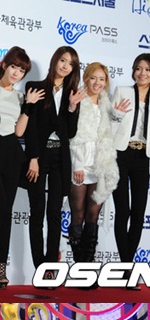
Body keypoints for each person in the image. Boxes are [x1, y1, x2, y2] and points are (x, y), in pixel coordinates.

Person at [0, 47, 44, 288]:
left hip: (12, 154)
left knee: (6, 211)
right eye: (14, 67)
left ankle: (0, 266)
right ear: (5, 65)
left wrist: (28, 106)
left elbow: (19, 131)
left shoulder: (19, 97)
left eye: (22, 70)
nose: (16, 73)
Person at [24, 46, 83, 277]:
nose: (65, 66)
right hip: (39, 155)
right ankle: (38, 265)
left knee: (55, 213)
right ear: (55, 60)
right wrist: (33, 157)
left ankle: (50, 267)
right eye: (62, 60)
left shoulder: (72, 94)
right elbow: (30, 127)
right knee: (37, 211)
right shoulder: (35, 87)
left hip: (60, 157)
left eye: (71, 64)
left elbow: (70, 133)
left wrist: (72, 108)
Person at [68, 62, 120, 263]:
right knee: (78, 214)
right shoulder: (78, 99)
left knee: (93, 215)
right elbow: (72, 135)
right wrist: (77, 165)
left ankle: (87, 264)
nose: (97, 83)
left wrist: (118, 117)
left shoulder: (106, 104)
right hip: (80, 165)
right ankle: (79, 262)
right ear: (86, 78)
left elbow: (109, 137)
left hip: (99, 166)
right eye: (93, 78)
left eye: (101, 79)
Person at [112, 53, 150, 266]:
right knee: (123, 211)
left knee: (138, 213)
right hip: (121, 154)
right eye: (139, 68)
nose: (142, 73)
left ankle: (126, 266)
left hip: (143, 157)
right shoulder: (122, 91)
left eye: (148, 69)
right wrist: (116, 114)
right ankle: (127, 266)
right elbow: (109, 125)